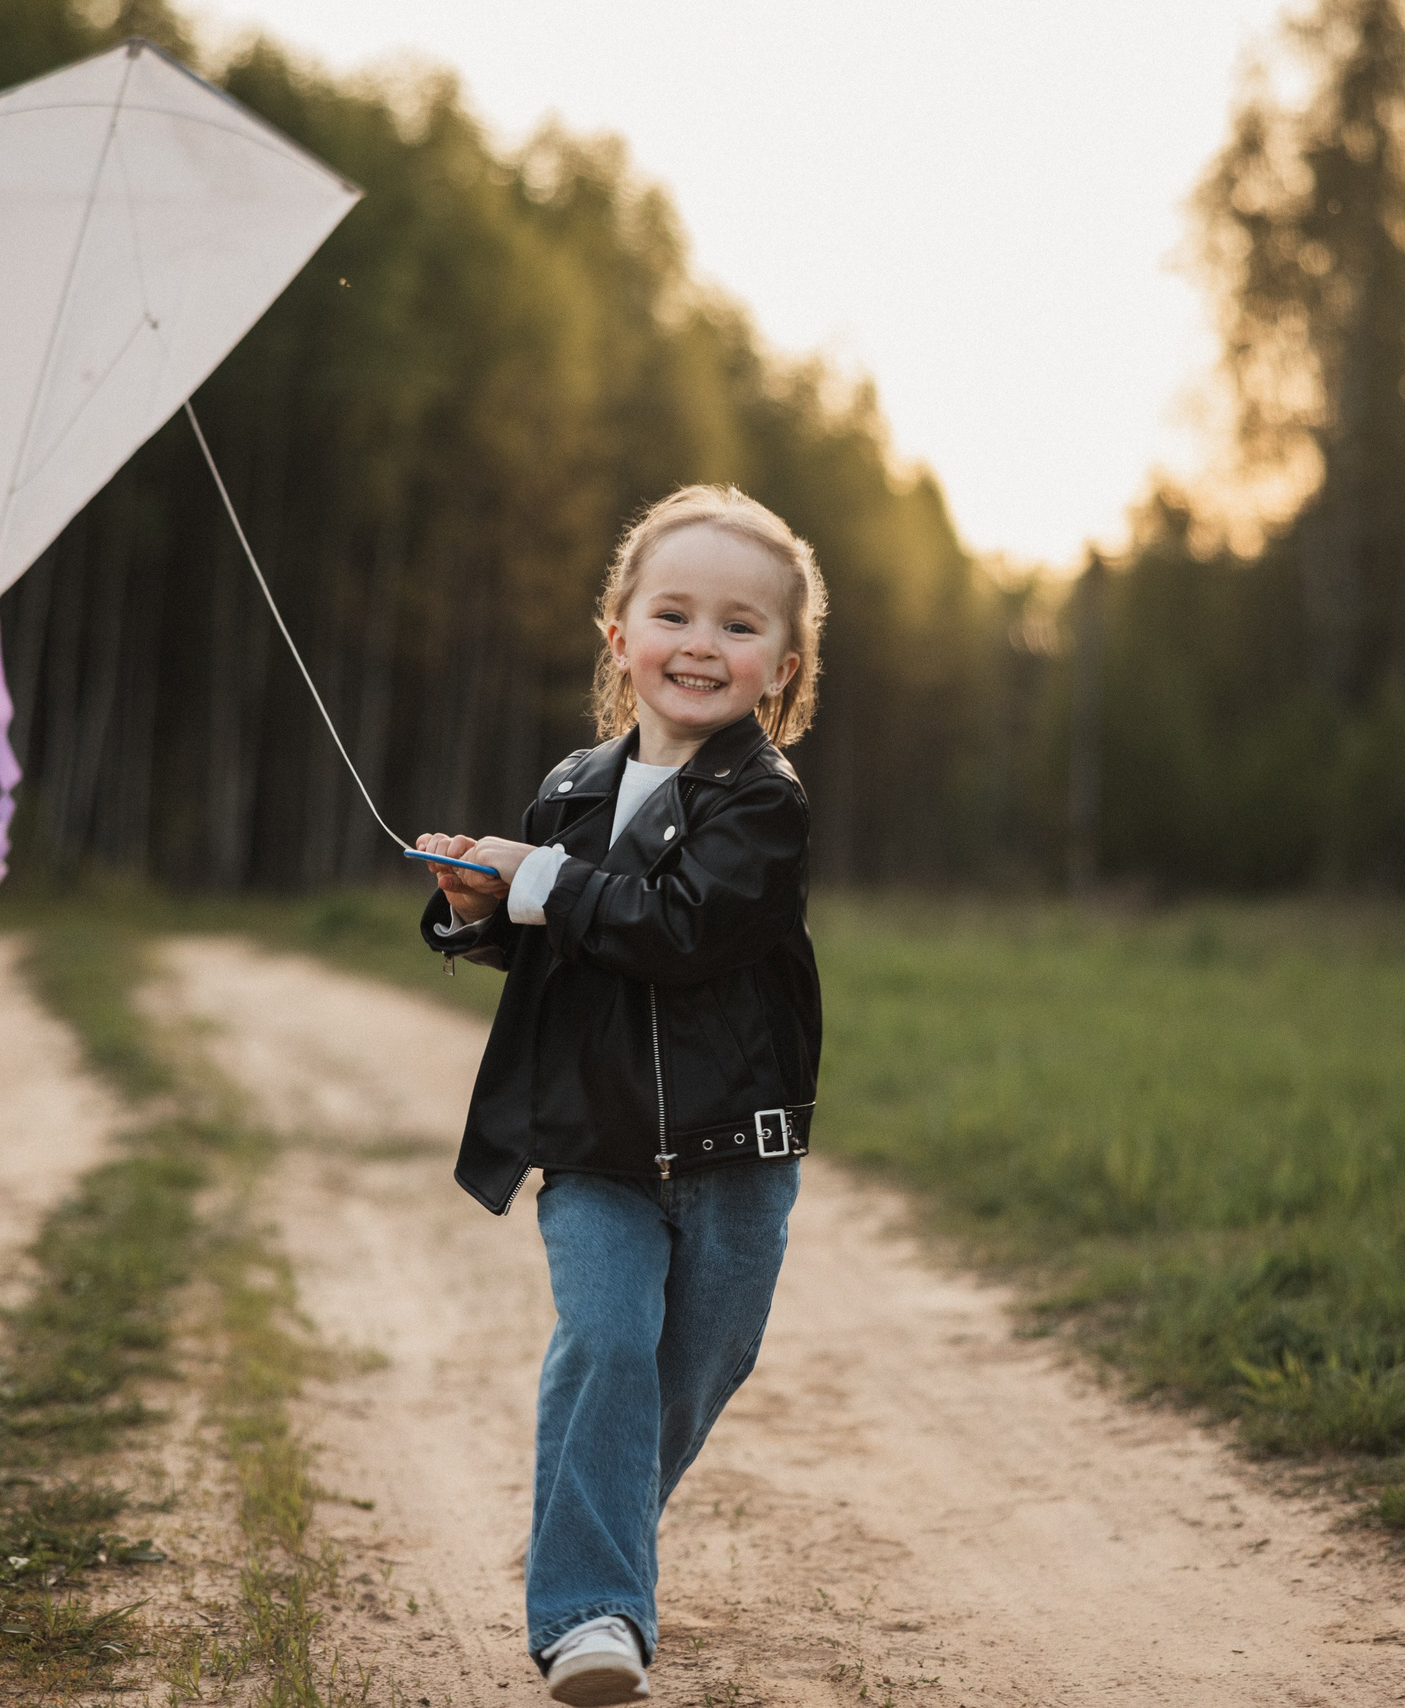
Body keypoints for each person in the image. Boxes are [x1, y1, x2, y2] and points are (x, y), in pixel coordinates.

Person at [413, 484, 828, 1707]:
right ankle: (588, 1611)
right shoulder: (570, 791)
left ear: (782, 667)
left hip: (733, 1150)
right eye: (674, 614)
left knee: (697, 1366)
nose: (702, 644)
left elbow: (679, 928)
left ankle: (588, 1531)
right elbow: (561, 945)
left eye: (739, 626)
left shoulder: (763, 801)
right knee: (604, 1345)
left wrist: (539, 881)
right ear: (619, 636)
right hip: (594, 1145)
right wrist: (479, 909)